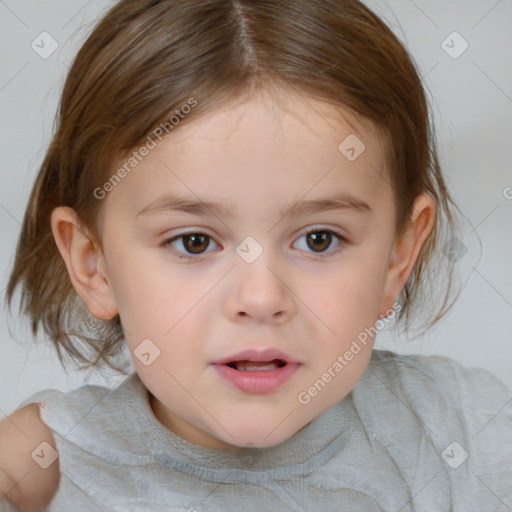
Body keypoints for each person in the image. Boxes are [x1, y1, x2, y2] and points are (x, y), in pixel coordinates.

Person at [1, 0, 511, 510]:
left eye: (319, 239)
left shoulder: (471, 434)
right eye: (194, 242)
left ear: (397, 258)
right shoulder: (41, 465)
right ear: (95, 265)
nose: (262, 298)